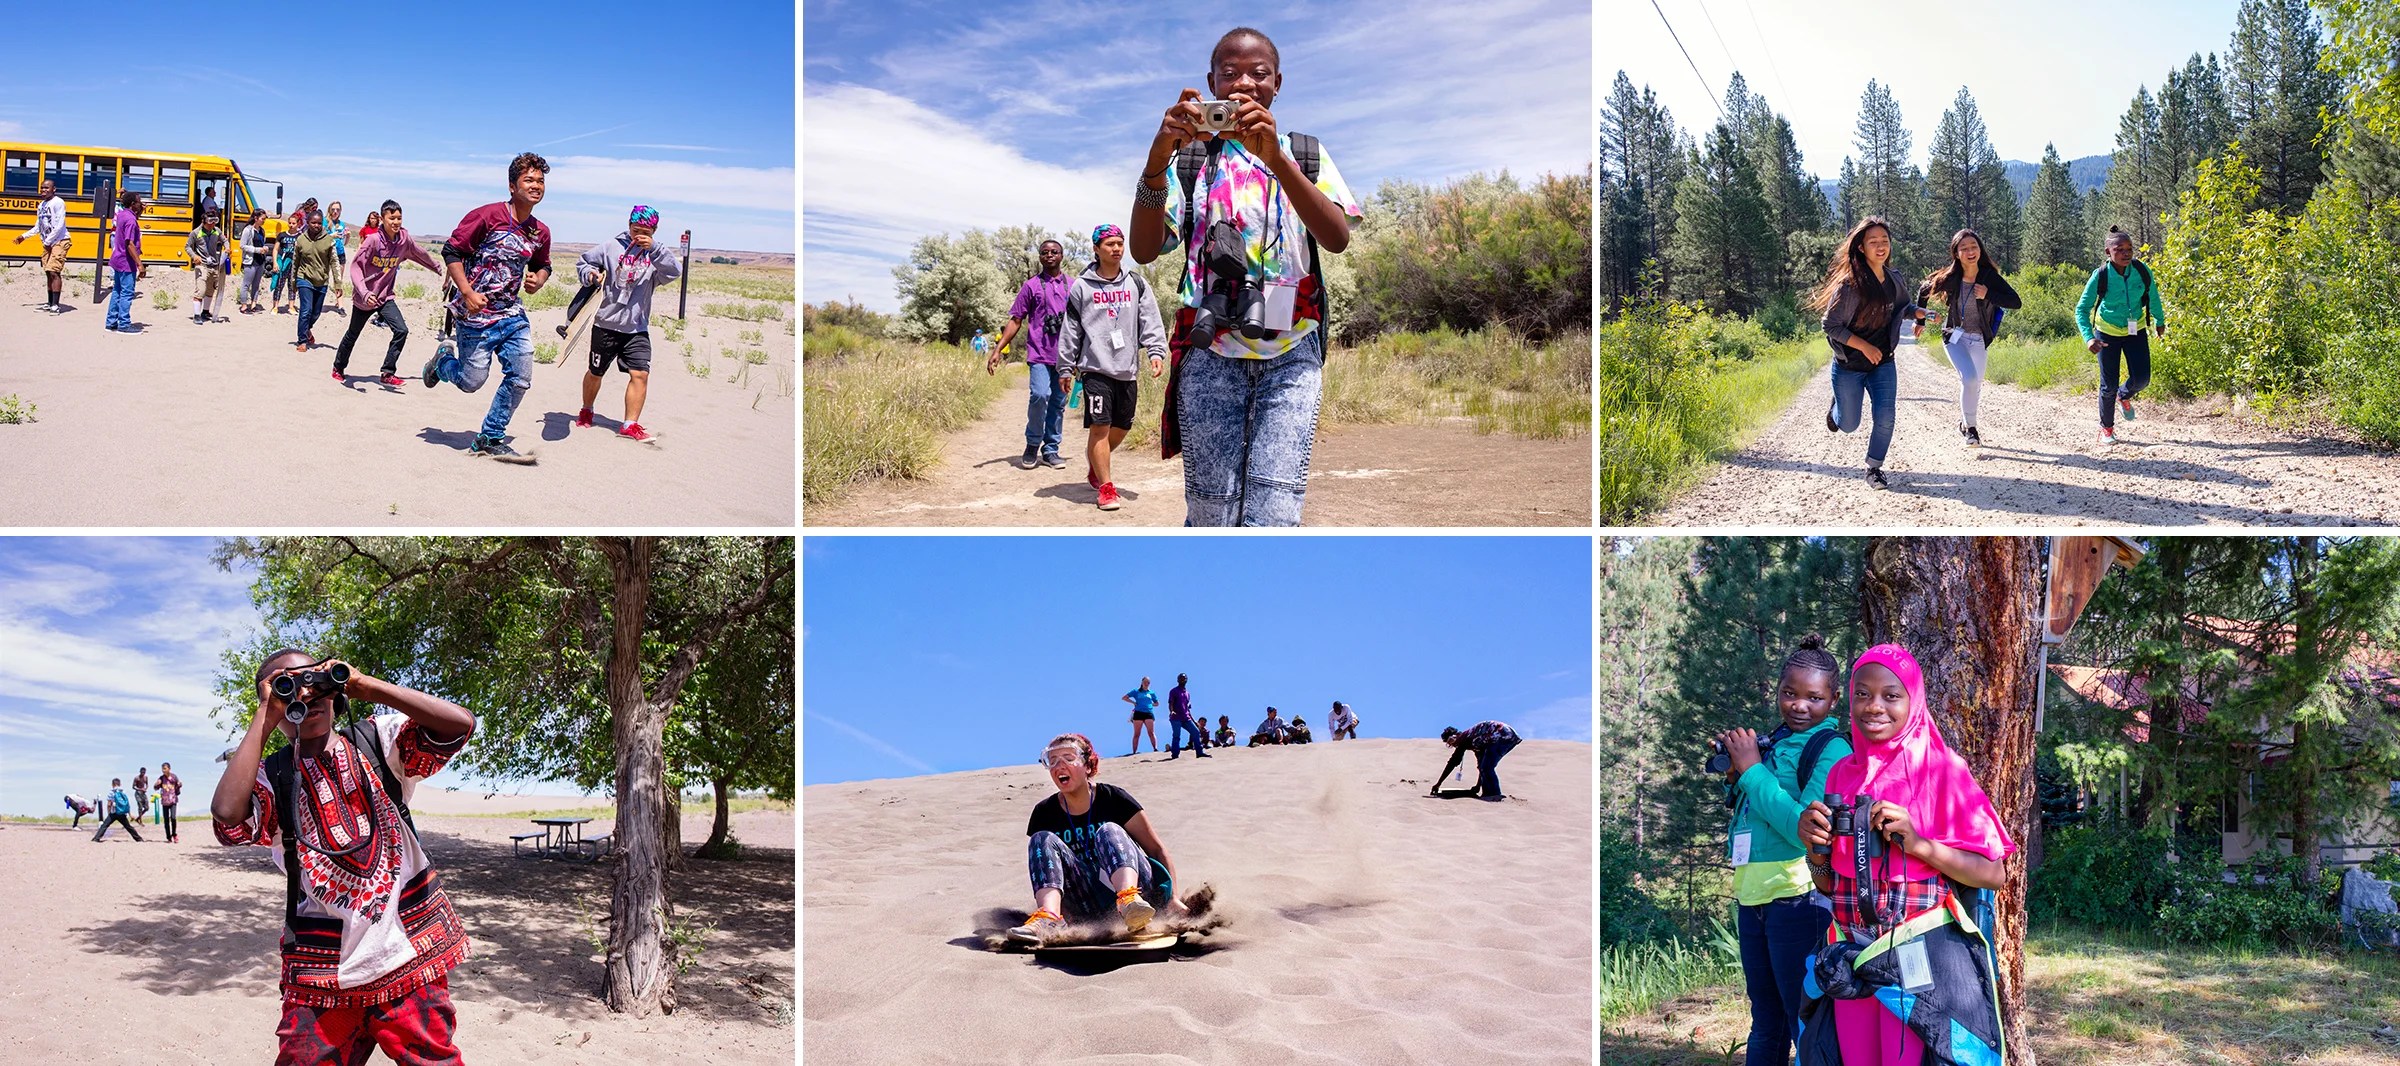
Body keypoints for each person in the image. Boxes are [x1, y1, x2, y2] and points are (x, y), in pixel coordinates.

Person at [1133, 26, 1362, 526]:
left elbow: (1337, 236)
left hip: (1292, 352)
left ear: (1277, 83)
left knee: (1276, 511)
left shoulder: (1304, 152)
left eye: (1258, 74)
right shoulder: (1191, 158)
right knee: (1211, 510)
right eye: (1229, 73)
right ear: (1209, 82)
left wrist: (1275, 158)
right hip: (1209, 349)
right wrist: (1157, 159)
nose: (1243, 85)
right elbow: (1145, 249)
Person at [212, 648, 476, 1065]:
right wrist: (267, 712)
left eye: (313, 681)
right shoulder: (271, 777)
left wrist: (360, 683)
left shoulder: (379, 742)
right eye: (286, 687)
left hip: (406, 952)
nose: (305, 694)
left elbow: (459, 726)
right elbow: (229, 818)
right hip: (321, 972)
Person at [1797, 645, 2013, 1066]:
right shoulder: (1844, 772)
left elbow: (1993, 874)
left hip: (1918, 958)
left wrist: (1919, 845)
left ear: (1913, 701)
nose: (1874, 706)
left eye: (1891, 695)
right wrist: (1815, 849)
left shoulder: (1943, 770)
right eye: (1862, 694)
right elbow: (1831, 883)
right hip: (1852, 956)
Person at [1717, 634, 1849, 1066]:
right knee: (1766, 1020)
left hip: (1799, 897)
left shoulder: (1831, 749)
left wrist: (1752, 769)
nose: (1799, 705)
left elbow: (1804, 831)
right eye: (1789, 693)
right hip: (1752, 895)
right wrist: (1737, 774)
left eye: (1813, 697)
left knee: (1804, 1018)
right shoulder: (1774, 742)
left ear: (1834, 698)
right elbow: (1755, 808)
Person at [423, 152, 553, 464]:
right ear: (512, 186)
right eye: (529, 180)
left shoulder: (539, 232)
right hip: (475, 316)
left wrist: (539, 280)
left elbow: (542, 264)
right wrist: (466, 291)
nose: (536, 185)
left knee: (520, 377)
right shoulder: (486, 216)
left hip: (511, 316)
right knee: (471, 382)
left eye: (541, 180)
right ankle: (443, 361)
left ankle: (490, 437)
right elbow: (452, 251)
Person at [1006, 733, 1184, 945]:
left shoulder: (1113, 798)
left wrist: (1173, 898)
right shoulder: (1044, 812)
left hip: (1142, 896)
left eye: (1068, 758)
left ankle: (1129, 900)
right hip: (1089, 901)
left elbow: (1156, 850)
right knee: (1040, 839)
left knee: (1109, 830)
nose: (1059, 765)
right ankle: (1049, 918)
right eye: (1051, 760)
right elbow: (1047, 867)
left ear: (1088, 766)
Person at [1055, 224, 1169, 511]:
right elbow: (1071, 329)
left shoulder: (1136, 283)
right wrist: (1065, 367)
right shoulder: (1082, 287)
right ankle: (1106, 488)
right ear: (1096, 249)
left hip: (1127, 369)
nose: (1117, 248)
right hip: (1095, 369)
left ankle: (1096, 462)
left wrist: (1156, 351)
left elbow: (1150, 319)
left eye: (1120, 243)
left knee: (1122, 427)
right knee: (1100, 428)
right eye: (1109, 244)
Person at [1812, 216, 1928, 491]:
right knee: (1849, 425)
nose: (1880, 246)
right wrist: (1864, 345)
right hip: (1850, 365)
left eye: (1884, 241)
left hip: (1883, 362)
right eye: (1873, 242)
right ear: (1861, 247)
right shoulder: (1849, 285)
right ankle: (1837, 409)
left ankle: (1874, 468)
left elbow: (1903, 306)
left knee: (1886, 416)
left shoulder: (1894, 278)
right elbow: (1830, 325)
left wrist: (1918, 313)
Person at [572, 205, 684, 444]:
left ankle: (629, 424)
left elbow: (675, 271)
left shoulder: (656, 255)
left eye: (646, 231)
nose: (639, 236)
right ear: (628, 226)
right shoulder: (611, 247)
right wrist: (592, 275)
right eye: (635, 230)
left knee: (640, 374)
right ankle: (586, 409)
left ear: (654, 231)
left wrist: (654, 249)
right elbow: (583, 263)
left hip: (637, 329)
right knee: (595, 372)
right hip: (605, 324)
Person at [1916, 229, 2021, 449]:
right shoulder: (1951, 278)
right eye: (1964, 248)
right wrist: (1921, 321)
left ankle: (1965, 424)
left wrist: (1988, 294)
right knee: (1969, 379)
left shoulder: (1988, 277)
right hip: (1954, 338)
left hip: (1979, 338)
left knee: (1975, 383)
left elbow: (2015, 301)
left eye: (1973, 246)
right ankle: (1971, 430)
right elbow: (1924, 290)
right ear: (1956, 253)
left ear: (1980, 250)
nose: (1970, 251)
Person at [2075, 226, 2169, 445]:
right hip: (2106, 333)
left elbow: (2152, 296)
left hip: (2135, 330)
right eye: (2120, 249)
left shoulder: (2142, 270)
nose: (2127, 253)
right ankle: (2106, 429)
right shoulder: (2100, 276)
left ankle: (2124, 395)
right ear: (2108, 252)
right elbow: (2081, 309)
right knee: (2108, 384)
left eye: (2130, 248)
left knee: (2142, 378)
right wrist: (2088, 337)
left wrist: (2160, 321)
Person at [986, 239, 1075, 470]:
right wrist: (998, 349)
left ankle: (1051, 450)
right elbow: (1016, 319)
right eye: (1044, 252)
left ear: (1062, 256)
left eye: (1054, 252)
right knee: (1039, 395)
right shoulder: (1031, 286)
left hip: (1065, 356)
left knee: (1058, 402)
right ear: (1039, 257)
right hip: (1038, 353)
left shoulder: (1072, 285)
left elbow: (1085, 320)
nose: (1049, 255)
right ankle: (1032, 444)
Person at [335, 200, 441, 386]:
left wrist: (436, 267)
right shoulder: (373, 240)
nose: (396, 222)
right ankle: (338, 367)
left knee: (401, 330)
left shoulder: (403, 240)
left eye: (399, 218)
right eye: (392, 218)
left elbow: (418, 254)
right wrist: (365, 292)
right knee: (353, 334)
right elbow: (356, 268)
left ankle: (387, 373)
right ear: (382, 218)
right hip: (365, 297)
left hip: (384, 296)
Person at [11, 177, 71, 312]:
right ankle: (50, 303)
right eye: (42, 187)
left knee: (54, 271)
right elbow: (39, 226)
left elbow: (59, 224)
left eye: (46, 187)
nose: (43, 190)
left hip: (59, 241)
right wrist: (24, 236)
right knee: (48, 272)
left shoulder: (58, 202)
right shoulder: (42, 205)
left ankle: (55, 305)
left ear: (53, 189)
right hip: (47, 243)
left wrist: (49, 241)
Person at [1433, 721, 1521, 800]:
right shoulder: (1474, 742)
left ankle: (1494, 794)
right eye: (1449, 744)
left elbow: (1453, 762)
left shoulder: (1464, 738)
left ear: (1456, 735)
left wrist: (1438, 784)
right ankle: (1488, 794)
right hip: (1510, 737)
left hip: (1500, 735)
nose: (1452, 744)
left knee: (1487, 767)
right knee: (1485, 767)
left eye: (1451, 740)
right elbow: (1481, 765)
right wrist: (1478, 786)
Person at [292, 211, 337, 351]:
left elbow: (334, 262)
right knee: (306, 310)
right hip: (304, 277)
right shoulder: (301, 240)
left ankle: (307, 329)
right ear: (308, 223)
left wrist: (338, 283)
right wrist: (293, 282)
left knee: (316, 312)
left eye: (319, 223)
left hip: (321, 280)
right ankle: (302, 341)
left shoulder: (329, 240)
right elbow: (295, 262)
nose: (316, 225)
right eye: (313, 222)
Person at [104, 190, 144, 333]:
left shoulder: (122, 215)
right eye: (139, 202)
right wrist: (139, 264)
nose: (141, 203)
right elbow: (130, 244)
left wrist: (139, 213)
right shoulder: (131, 220)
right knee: (127, 293)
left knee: (117, 291)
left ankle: (111, 322)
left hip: (117, 259)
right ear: (133, 204)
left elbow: (129, 223)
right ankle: (124, 324)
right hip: (127, 262)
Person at [185, 210, 229, 324]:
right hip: (202, 265)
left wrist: (227, 248)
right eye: (210, 221)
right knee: (201, 290)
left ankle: (205, 312)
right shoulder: (195, 233)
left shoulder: (217, 231)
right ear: (204, 221)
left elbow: (225, 240)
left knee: (210, 289)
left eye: (215, 221)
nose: (212, 224)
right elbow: (187, 246)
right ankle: (196, 315)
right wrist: (194, 256)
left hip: (214, 265)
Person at [1165, 672, 1211, 759]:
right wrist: (1171, 711)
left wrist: (1194, 721)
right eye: (1181, 678)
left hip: (1186, 718)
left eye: (1184, 678)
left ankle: (1199, 752)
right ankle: (1175, 754)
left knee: (1196, 732)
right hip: (1176, 717)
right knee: (1176, 735)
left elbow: (1187, 709)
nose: (1183, 680)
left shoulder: (1187, 693)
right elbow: (1171, 703)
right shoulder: (1173, 691)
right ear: (1178, 680)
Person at [240, 210, 271, 314]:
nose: (264, 221)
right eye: (262, 219)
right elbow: (242, 246)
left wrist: (264, 248)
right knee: (246, 284)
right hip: (250, 261)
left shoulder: (262, 231)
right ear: (256, 218)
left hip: (260, 261)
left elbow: (262, 242)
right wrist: (257, 250)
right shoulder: (248, 230)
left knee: (256, 284)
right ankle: (244, 305)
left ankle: (254, 304)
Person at [271, 209, 300, 314]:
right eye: (290, 223)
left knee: (292, 285)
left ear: (298, 224)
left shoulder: (300, 237)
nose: (291, 225)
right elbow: (275, 249)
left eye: (294, 223)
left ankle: (291, 306)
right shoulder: (282, 235)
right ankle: (275, 306)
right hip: (282, 263)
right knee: (279, 284)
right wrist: (275, 262)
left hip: (294, 264)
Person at [1123, 676, 1162, 755]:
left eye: (1148, 682)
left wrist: (1151, 704)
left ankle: (1155, 748)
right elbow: (1124, 697)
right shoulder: (1136, 691)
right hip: (1138, 713)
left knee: (1151, 732)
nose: (1146, 683)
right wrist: (1133, 702)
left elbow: (1157, 703)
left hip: (1148, 713)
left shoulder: (1151, 693)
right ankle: (1134, 751)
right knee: (1137, 733)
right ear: (1141, 682)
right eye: (1145, 682)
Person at [325, 200, 349, 312]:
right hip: (327, 252)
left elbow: (344, 242)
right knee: (322, 278)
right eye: (333, 209)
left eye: (338, 210)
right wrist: (331, 235)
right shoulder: (325, 222)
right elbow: (320, 239)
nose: (335, 211)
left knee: (338, 279)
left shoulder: (342, 224)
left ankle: (340, 305)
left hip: (339, 252)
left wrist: (347, 236)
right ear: (330, 209)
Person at [156, 762, 182, 842]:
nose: (163, 770)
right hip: (165, 801)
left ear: (169, 769)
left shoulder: (174, 777)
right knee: (166, 819)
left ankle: (174, 834)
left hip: (173, 800)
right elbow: (156, 787)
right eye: (162, 769)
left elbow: (178, 786)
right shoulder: (161, 778)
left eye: (165, 768)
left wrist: (180, 784)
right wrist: (157, 784)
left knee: (173, 818)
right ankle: (168, 836)